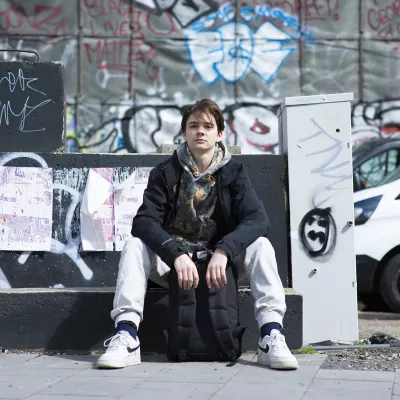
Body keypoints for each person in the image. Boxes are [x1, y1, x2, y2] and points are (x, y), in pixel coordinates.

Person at [97, 99, 299, 370]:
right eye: (193, 126)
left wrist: (224, 250)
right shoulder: (165, 173)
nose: (200, 131)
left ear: (220, 134)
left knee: (260, 245)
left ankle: (270, 334)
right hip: (175, 267)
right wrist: (175, 254)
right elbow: (144, 221)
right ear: (184, 133)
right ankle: (127, 335)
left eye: (207, 126)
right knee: (134, 245)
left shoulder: (234, 173)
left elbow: (258, 219)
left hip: (220, 267)